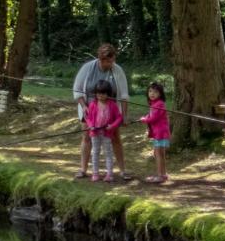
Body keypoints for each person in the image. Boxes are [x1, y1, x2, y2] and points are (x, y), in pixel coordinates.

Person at [73, 43, 130, 180]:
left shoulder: (117, 70)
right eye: (109, 61)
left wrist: (124, 116)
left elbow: (124, 95)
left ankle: (122, 171)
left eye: (113, 60)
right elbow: (77, 90)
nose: (111, 63)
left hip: (110, 110)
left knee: (116, 138)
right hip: (90, 110)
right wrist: (84, 106)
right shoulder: (88, 68)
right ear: (101, 59)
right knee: (87, 137)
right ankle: (83, 169)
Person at [85, 80, 125, 182]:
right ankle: (95, 173)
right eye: (98, 93)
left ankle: (109, 174)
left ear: (108, 94)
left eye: (103, 93)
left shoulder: (112, 105)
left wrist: (112, 126)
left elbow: (119, 118)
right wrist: (91, 126)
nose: (100, 96)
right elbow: (88, 118)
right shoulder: (93, 104)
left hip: (107, 133)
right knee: (95, 152)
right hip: (95, 133)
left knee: (108, 153)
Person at [139, 82, 172, 183]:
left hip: (160, 133)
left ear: (160, 93)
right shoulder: (154, 104)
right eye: (150, 91)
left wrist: (144, 119)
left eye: (155, 92)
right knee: (160, 153)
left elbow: (153, 118)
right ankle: (163, 174)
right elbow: (151, 115)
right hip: (159, 133)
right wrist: (146, 117)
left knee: (158, 154)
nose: (152, 93)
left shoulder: (159, 104)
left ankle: (160, 176)